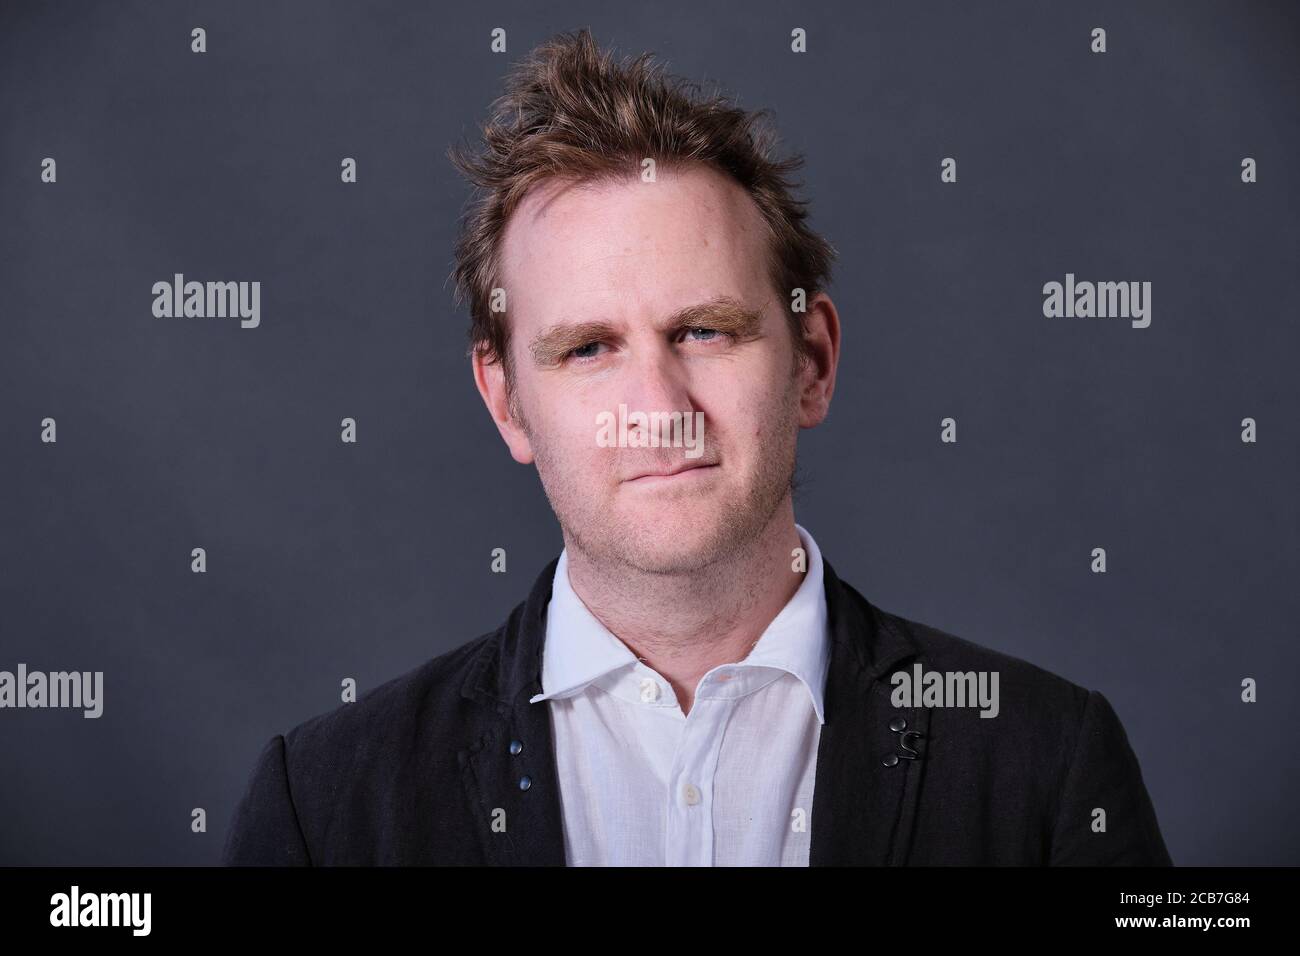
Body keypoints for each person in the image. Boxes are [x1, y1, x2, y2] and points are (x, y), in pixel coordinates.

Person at [222, 28, 1172, 866]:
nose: (657, 407)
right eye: (588, 348)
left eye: (705, 332)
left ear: (812, 361)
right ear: (507, 402)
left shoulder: (1048, 764)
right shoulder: (325, 804)